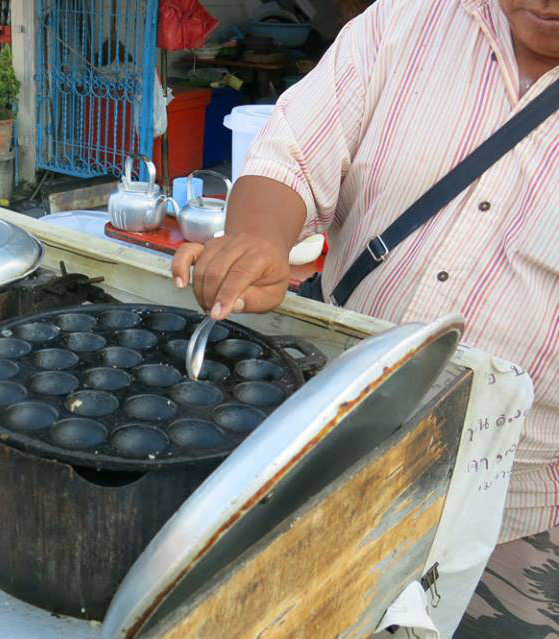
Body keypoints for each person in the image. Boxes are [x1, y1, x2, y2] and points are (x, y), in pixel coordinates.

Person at [171, 0, 559, 636]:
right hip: (338, 459)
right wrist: (261, 243)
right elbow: (290, 155)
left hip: (518, 510)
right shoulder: (403, 24)